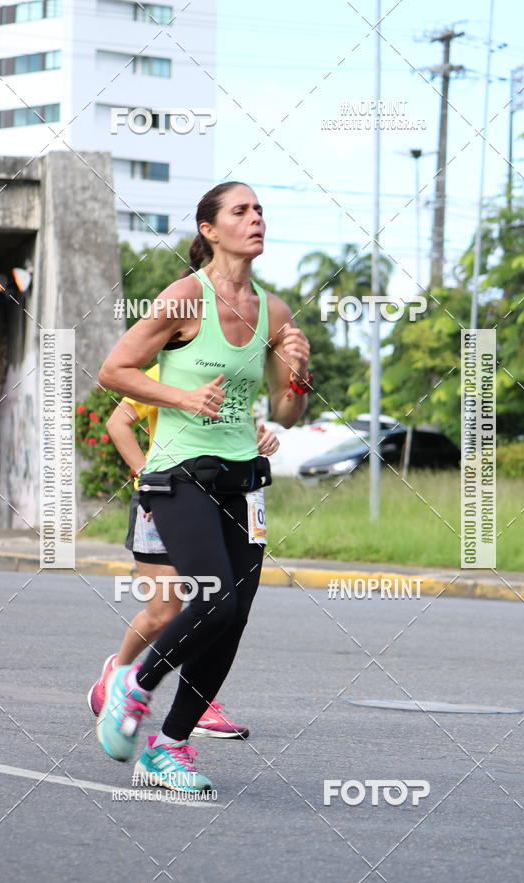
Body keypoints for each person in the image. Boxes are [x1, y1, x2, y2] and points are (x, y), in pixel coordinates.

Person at [96, 181, 312, 793]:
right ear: (211, 230)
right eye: (241, 211)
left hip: (244, 481)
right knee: (212, 598)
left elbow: (285, 411)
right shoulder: (184, 298)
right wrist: (182, 396)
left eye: (260, 209)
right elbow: (117, 369)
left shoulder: (274, 310)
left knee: (233, 616)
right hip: (178, 474)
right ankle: (133, 686)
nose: (256, 218)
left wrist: (296, 375)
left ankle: (169, 748)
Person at [86, 363, 280, 740]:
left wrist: (261, 438)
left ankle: (197, 702)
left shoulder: (239, 373)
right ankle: (116, 675)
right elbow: (117, 424)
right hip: (166, 496)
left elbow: (235, 433)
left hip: (222, 498)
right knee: (164, 612)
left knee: (213, 606)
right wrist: (148, 477)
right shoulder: (166, 370)